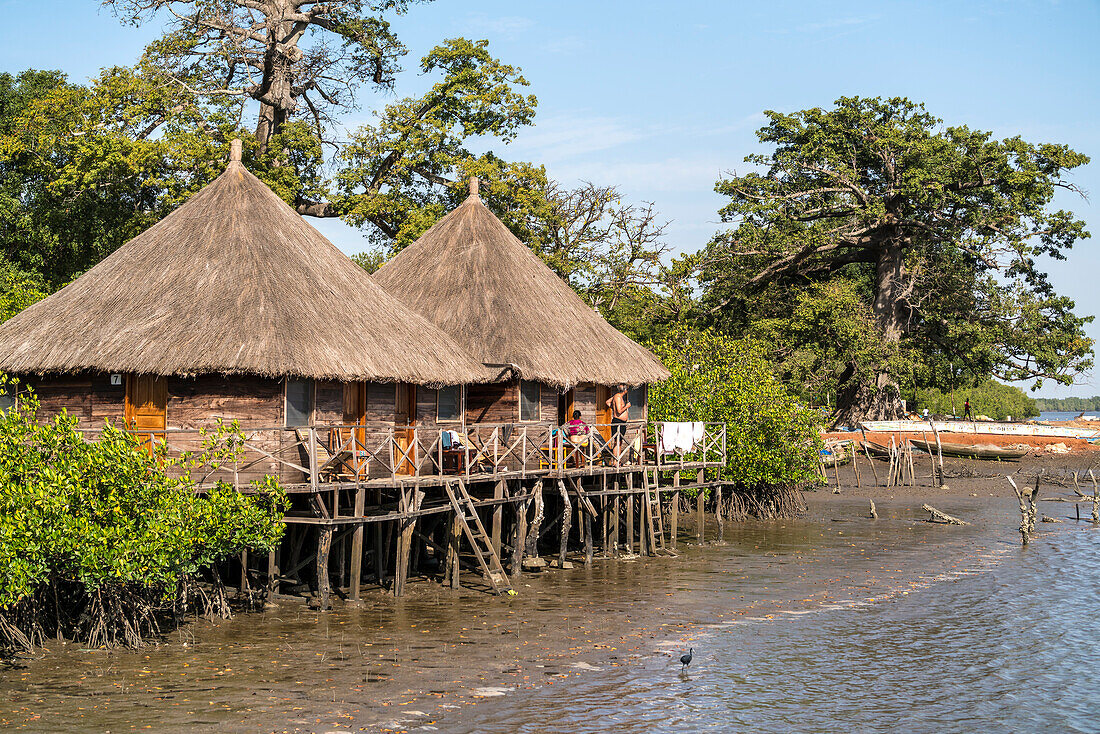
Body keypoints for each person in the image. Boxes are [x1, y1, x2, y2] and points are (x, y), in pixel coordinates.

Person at [606, 384, 631, 463]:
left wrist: (613, 407)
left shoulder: (616, 397)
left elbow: (607, 402)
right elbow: (619, 411)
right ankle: (616, 461)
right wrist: (627, 406)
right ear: (625, 390)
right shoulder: (618, 397)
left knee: (619, 442)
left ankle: (617, 460)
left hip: (621, 422)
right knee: (617, 442)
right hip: (618, 422)